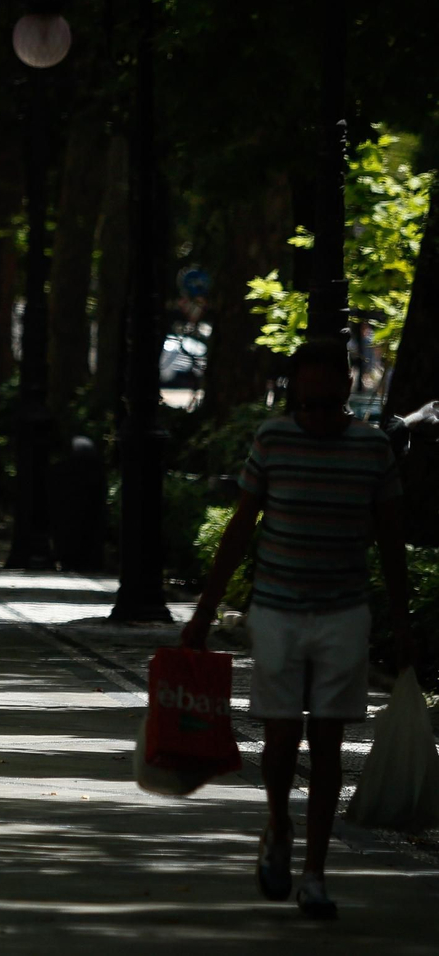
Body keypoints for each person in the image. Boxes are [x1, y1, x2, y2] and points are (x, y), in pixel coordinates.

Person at [184, 338, 410, 921]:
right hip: (279, 611)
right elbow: (239, 530)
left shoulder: (372, 450)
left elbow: (390, 539)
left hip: (343, 612)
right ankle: (278, 826)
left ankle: (314, 873)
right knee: (281, 736)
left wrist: (403, 622)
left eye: (326, 403)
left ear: (347, 393)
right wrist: (204, 614)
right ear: (293, 398)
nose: (314, 415)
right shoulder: (273, 440)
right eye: (305, 403)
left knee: (329, 744)